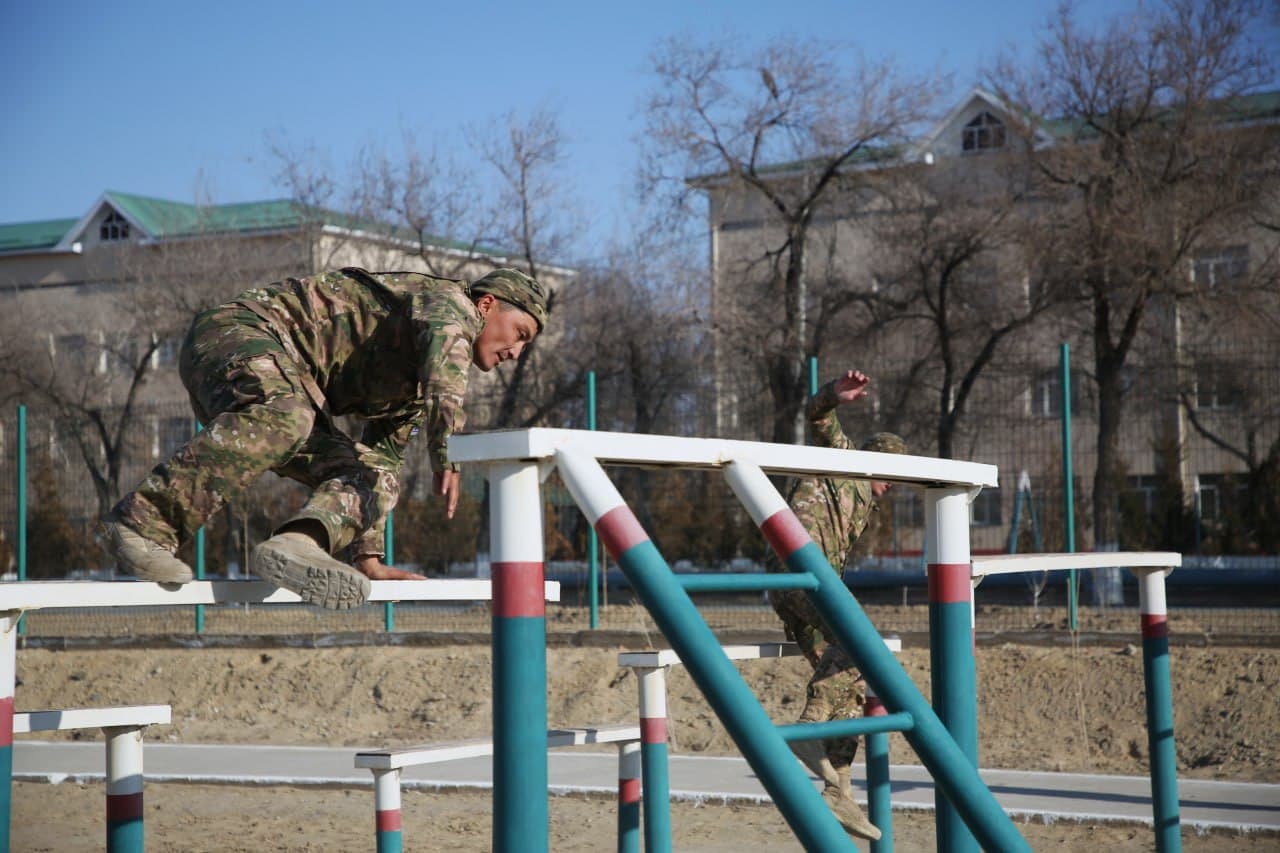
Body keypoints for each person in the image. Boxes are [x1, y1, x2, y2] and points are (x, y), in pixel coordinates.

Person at [100, 266, 548, 610]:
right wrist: (446, 452)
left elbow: (382, 463)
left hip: (284, 387)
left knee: (369, 473)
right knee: (287, 414)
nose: (515, 352)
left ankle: (302, 542)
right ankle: (143, 523)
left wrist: (366, 555)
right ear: (487, 305)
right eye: (519, 334)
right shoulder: (448, 304)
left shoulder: (412, 392)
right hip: (238, 334)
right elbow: (445, 372)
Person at [768, 369, 907, 843]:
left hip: (810, 587)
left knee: (848, 685)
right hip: (798, 576)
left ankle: (838, 790)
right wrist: (834, 394)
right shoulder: (846, 465)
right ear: (878, 465)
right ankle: (808, 729)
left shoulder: (863, 506)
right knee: (859, 642)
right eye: (894, 476)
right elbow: (818, 417)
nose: (894, 488)